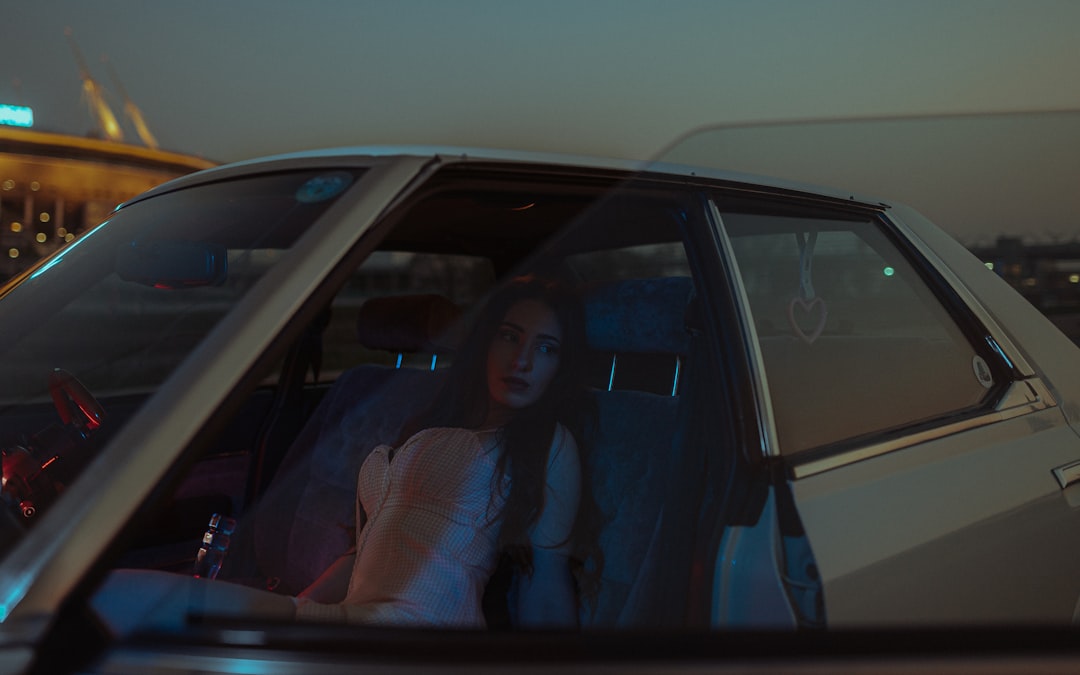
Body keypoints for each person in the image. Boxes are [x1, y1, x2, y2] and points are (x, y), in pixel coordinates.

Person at [91, 275, 599, 634]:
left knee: (118, 604)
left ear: (562, 365)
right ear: (487, 342)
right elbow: (364, 552)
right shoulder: (432, 419)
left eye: (547, 348)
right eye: (510, 337)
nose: (524, 360)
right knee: (108, 601)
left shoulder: (547, 443)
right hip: (356, 623)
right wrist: (297, 612)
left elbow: (547, 586)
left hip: (421, 634)